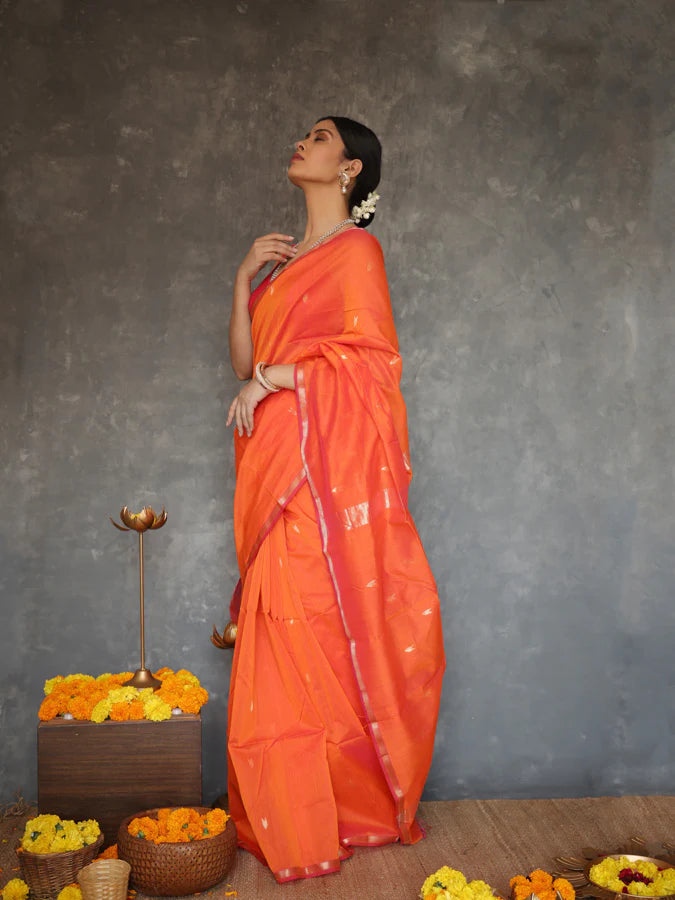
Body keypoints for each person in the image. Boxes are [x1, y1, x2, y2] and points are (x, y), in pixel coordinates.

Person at [217, 116, 445, 883]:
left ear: (349, 170)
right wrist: (242, 277)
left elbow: (372, 368)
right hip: (271, 455)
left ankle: (340, 808)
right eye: (302, 135)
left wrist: (276, 380)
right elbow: (245, 357)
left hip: (318, 466)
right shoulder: (283, 264)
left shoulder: (356, 252)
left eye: (317, 138)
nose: (300, 143)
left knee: (312, 621)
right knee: (276, 627)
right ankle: (290, 803)